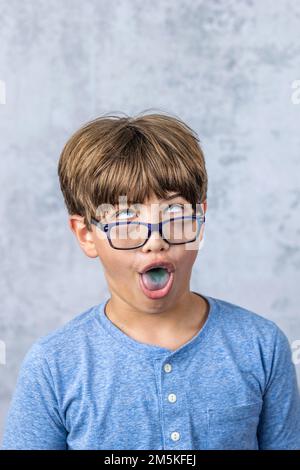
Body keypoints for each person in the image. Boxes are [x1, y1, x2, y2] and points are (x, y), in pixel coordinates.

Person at [2, 111, 300, 450]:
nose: (154, 240)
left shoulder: (262, 347)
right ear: (86, 235)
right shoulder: (53, 364)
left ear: (199, 222)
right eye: (126, 219)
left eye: (174, 215)